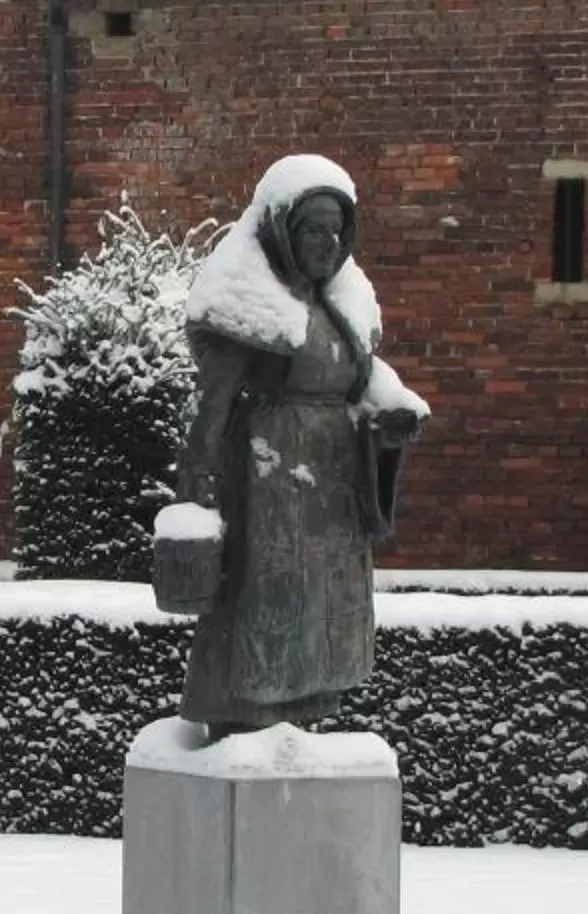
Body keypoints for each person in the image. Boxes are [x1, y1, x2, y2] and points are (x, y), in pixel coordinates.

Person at [159, 155, 427, 736]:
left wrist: (391, 419)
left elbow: (364, 385)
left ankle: (303, 711)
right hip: (267, 478)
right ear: (283, 230)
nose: (328, 244)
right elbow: (216, 404)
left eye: (337, 232)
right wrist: (197, 483)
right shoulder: (250, 310)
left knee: (323, 602)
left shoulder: (340, 309)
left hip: (331, 487)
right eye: (314, 230)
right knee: (265, 595)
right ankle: (245, 718)